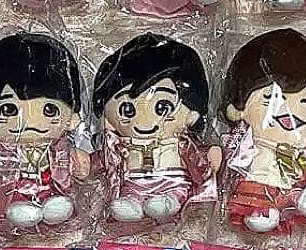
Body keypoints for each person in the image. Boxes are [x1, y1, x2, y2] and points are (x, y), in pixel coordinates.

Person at [0, 33, 90, 233]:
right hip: (13, 195)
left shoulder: (60, 150)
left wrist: (81, 161)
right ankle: (22, 211)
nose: (31, 122)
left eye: (50, 110)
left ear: (71, 116)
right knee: (17, 208)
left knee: (58, 204)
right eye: (9, 109)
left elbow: (74, 164)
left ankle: (51, 207)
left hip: (51, 190)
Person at [219, 28, 306, 234]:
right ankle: (261, 211)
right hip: (256, 185)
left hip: (294, 192)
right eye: (271, 98)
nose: (291, 111)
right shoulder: (245, 143)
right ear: (239, 108)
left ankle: (302, 202)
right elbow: (230, 158)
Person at [92, 33, 220, 224]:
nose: (145, 120)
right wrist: (85, 162)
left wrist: (209, 155)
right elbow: (104, 160)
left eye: (162, 107)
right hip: (133, 184)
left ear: (192, 113)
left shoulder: (180, 142)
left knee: (171, 197)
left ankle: (169, 203)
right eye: (127, 109)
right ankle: (131, 205)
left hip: (173, 183)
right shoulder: (117, 145)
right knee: (127, 199)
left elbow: (194, 155)